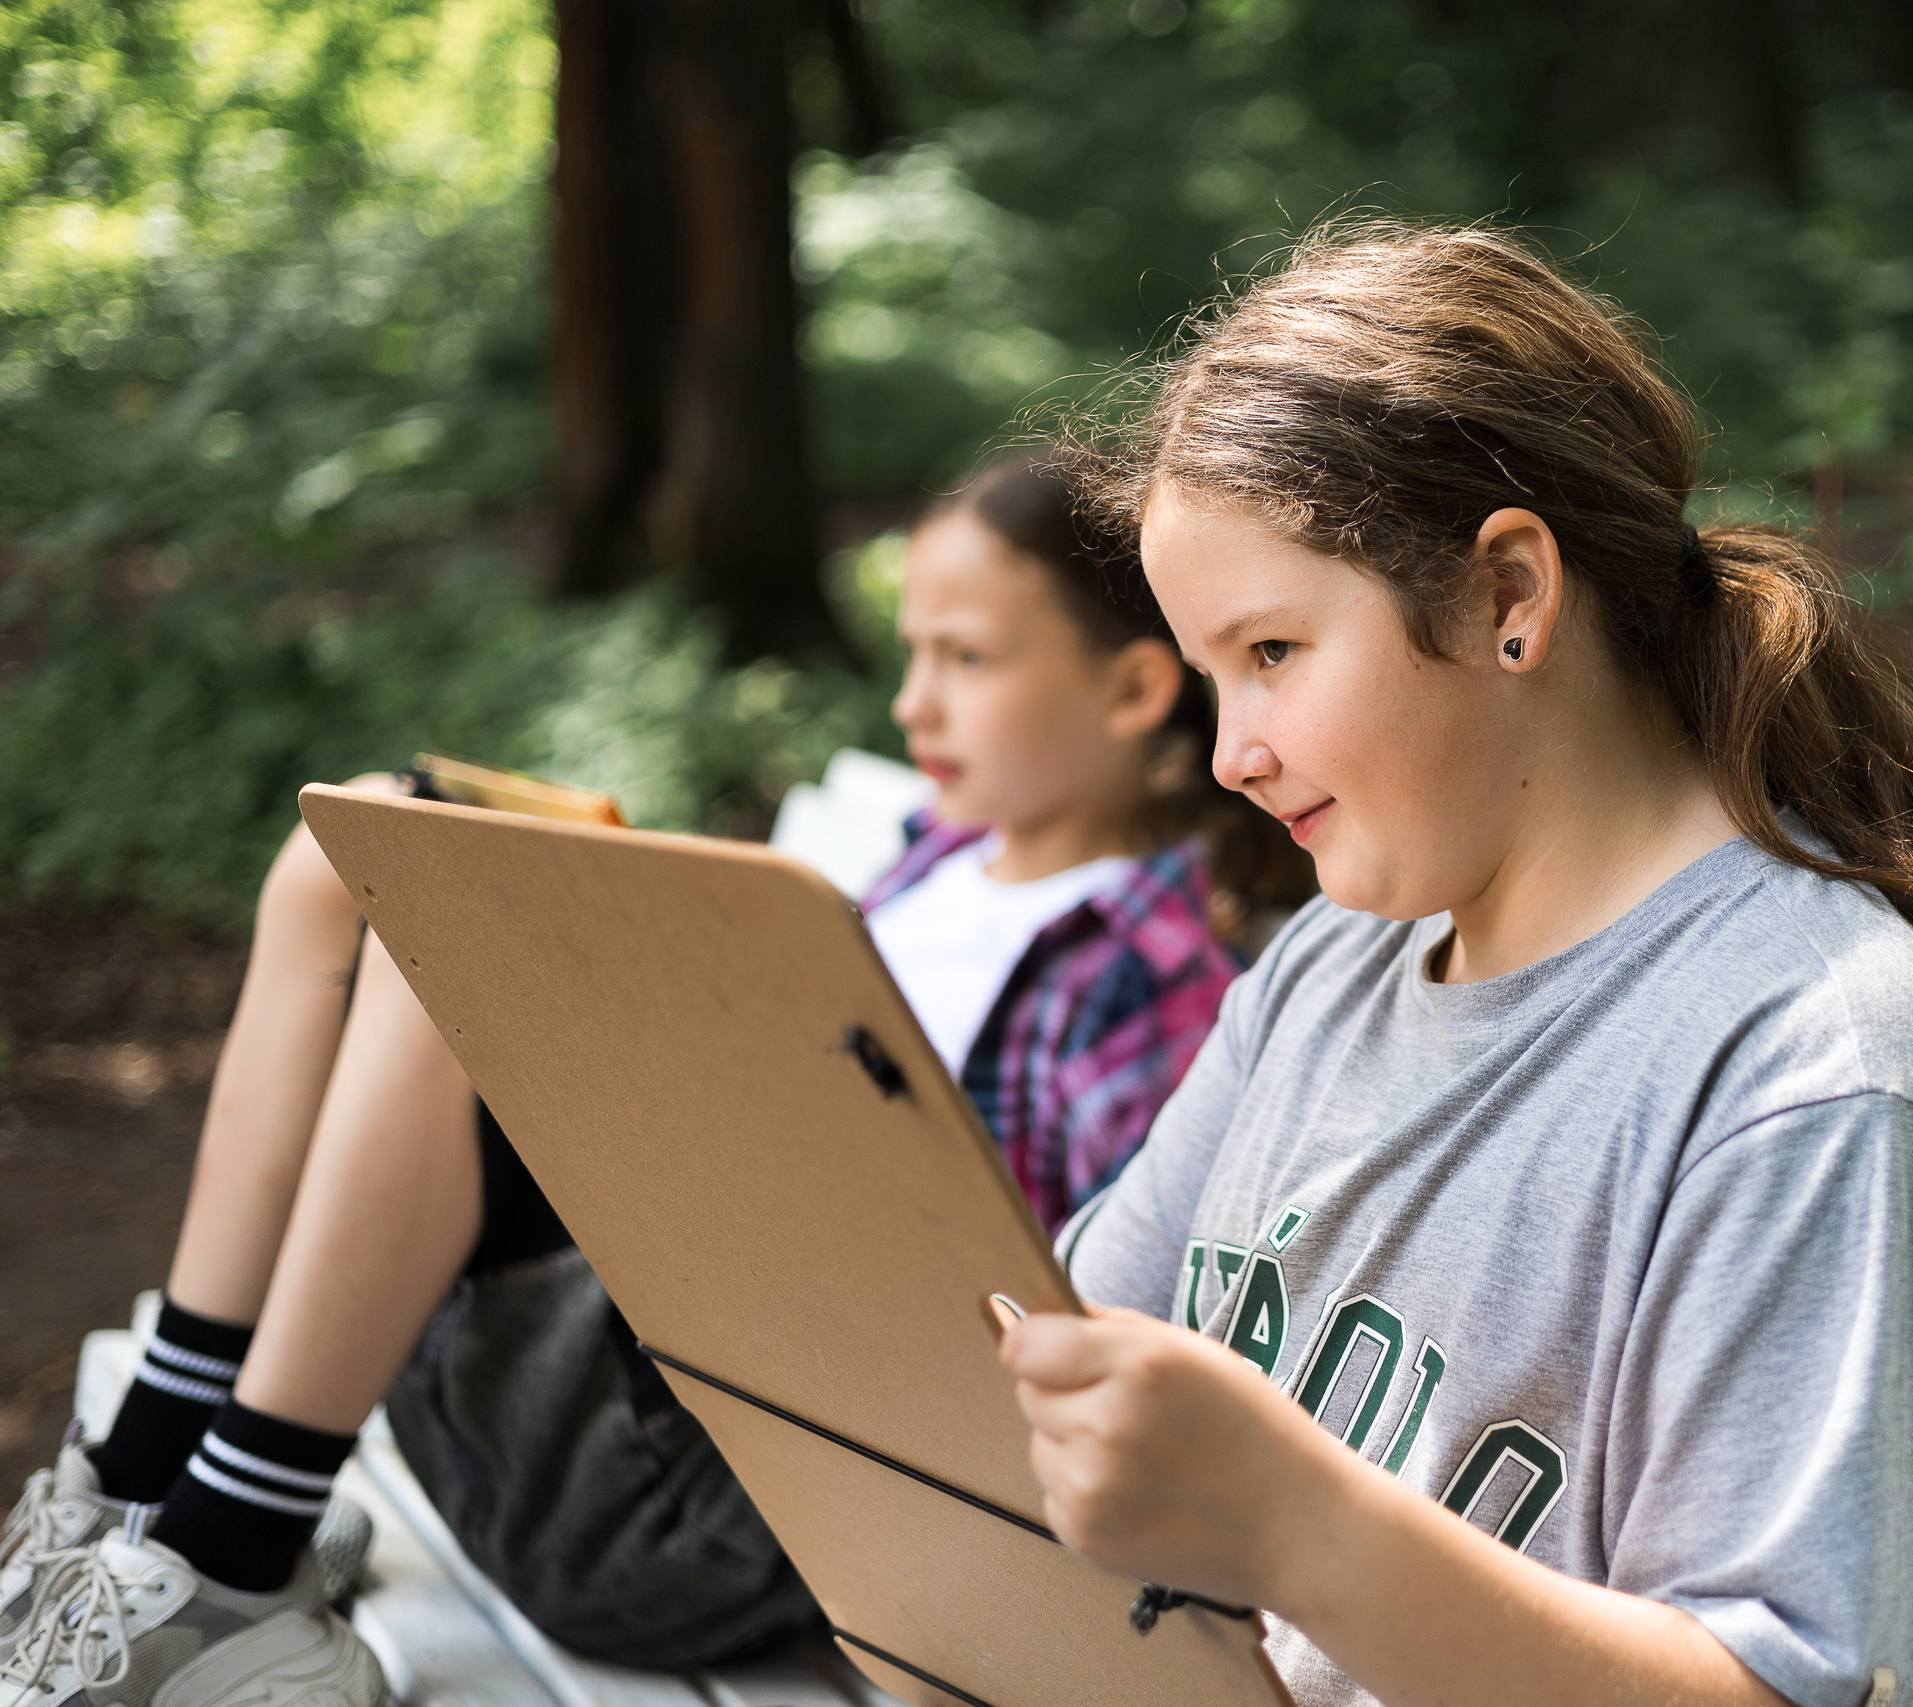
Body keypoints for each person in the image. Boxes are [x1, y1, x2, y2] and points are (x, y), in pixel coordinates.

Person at [0, 455, 1309, 1707]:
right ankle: (148, 1469)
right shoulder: (933, 862)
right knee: (360, 838)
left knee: (470, 927)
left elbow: (1075, 1331)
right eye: (913, 653)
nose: (913, 704)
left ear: (1136, 690)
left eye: (965, 658)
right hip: (561, 1387)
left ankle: (228, 1560)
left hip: (711, 1492)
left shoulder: (1161, 972)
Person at [995, 222, 1913, 1707]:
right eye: (1208, 677)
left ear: (1510, 596)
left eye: (1271, 654)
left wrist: (1309, 1534)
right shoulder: (1331, 972)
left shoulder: (1825, 1081)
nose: (1231, 756)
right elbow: (1060, 1358)